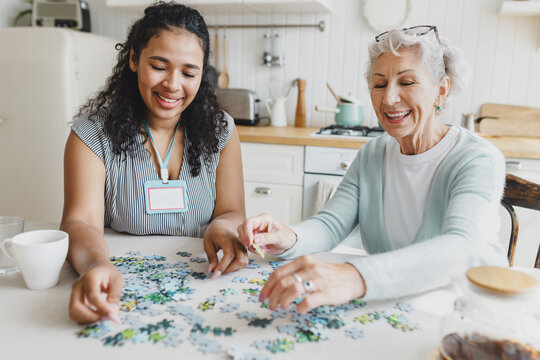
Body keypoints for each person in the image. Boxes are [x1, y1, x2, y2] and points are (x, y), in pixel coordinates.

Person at [237, 25, 508, 314]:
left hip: (469, 311)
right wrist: (287, 236)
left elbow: (461, 248)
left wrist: (355, 276)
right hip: (396, 305)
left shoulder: (476, 158)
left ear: (440, 90)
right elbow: (330, 225)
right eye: (379, 84)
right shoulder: (373, 153)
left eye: (406, 82)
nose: (389, 98)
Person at [61, 2, 247, 324]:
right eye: (159, 66)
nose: (173, 85)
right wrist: (95, 266)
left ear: (202, 75)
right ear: (134, 59)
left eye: (189, 72)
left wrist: (222, 226)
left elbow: (231, 211)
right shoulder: (91, 134)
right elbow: (80, 223)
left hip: (201, 288)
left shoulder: (221, 130)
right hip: (121, 286)